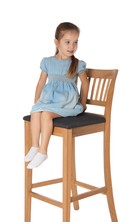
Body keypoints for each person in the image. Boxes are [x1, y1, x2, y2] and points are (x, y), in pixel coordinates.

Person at [25, 22, 89, 169]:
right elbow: (40, 83)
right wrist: (37, 102)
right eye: (67, 42)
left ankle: (43, 151)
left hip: (67, 102)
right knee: (36, 111)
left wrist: (83, 102)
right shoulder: (48, 62)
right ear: (56, 42)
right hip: (50, 100)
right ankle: (35, 146)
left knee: (46, 114)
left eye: (75, 42)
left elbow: (85, 83)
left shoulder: (77, 64)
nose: (71, 46)